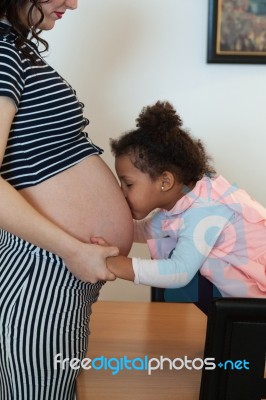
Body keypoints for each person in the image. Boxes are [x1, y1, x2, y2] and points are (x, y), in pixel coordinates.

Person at [0, 1, 133, 399]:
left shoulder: (12, 48)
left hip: (48, 272)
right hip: (39, 273)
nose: (73, 2)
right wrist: (72, 250)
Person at [92, 100, 266, 304]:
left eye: (128, 185)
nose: (121, 193)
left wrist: (115, 264)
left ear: (165, 181)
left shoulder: (207, 209)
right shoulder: (183, 202)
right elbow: (145, 231)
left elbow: (179, 271)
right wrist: (102, 230)